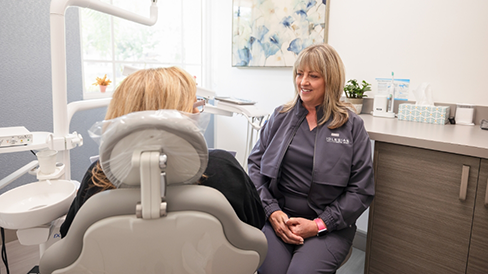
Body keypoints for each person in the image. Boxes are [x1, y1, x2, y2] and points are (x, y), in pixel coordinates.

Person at [60, 67, 265, 238]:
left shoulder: (98, 175)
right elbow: (255, 224)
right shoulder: (223, 168)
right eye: (194, 105)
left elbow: (69, 237)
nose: (198, 112)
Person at [248, 43, 375, 274]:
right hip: (279, 219)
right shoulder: (280, 116)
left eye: (313, 76)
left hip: (329, 227)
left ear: (331, 80)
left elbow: (361, 190)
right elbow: (255, 166)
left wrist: (318, 225)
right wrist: (271, 211)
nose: (303, 82)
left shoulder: (352, 126)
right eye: (299, 74)